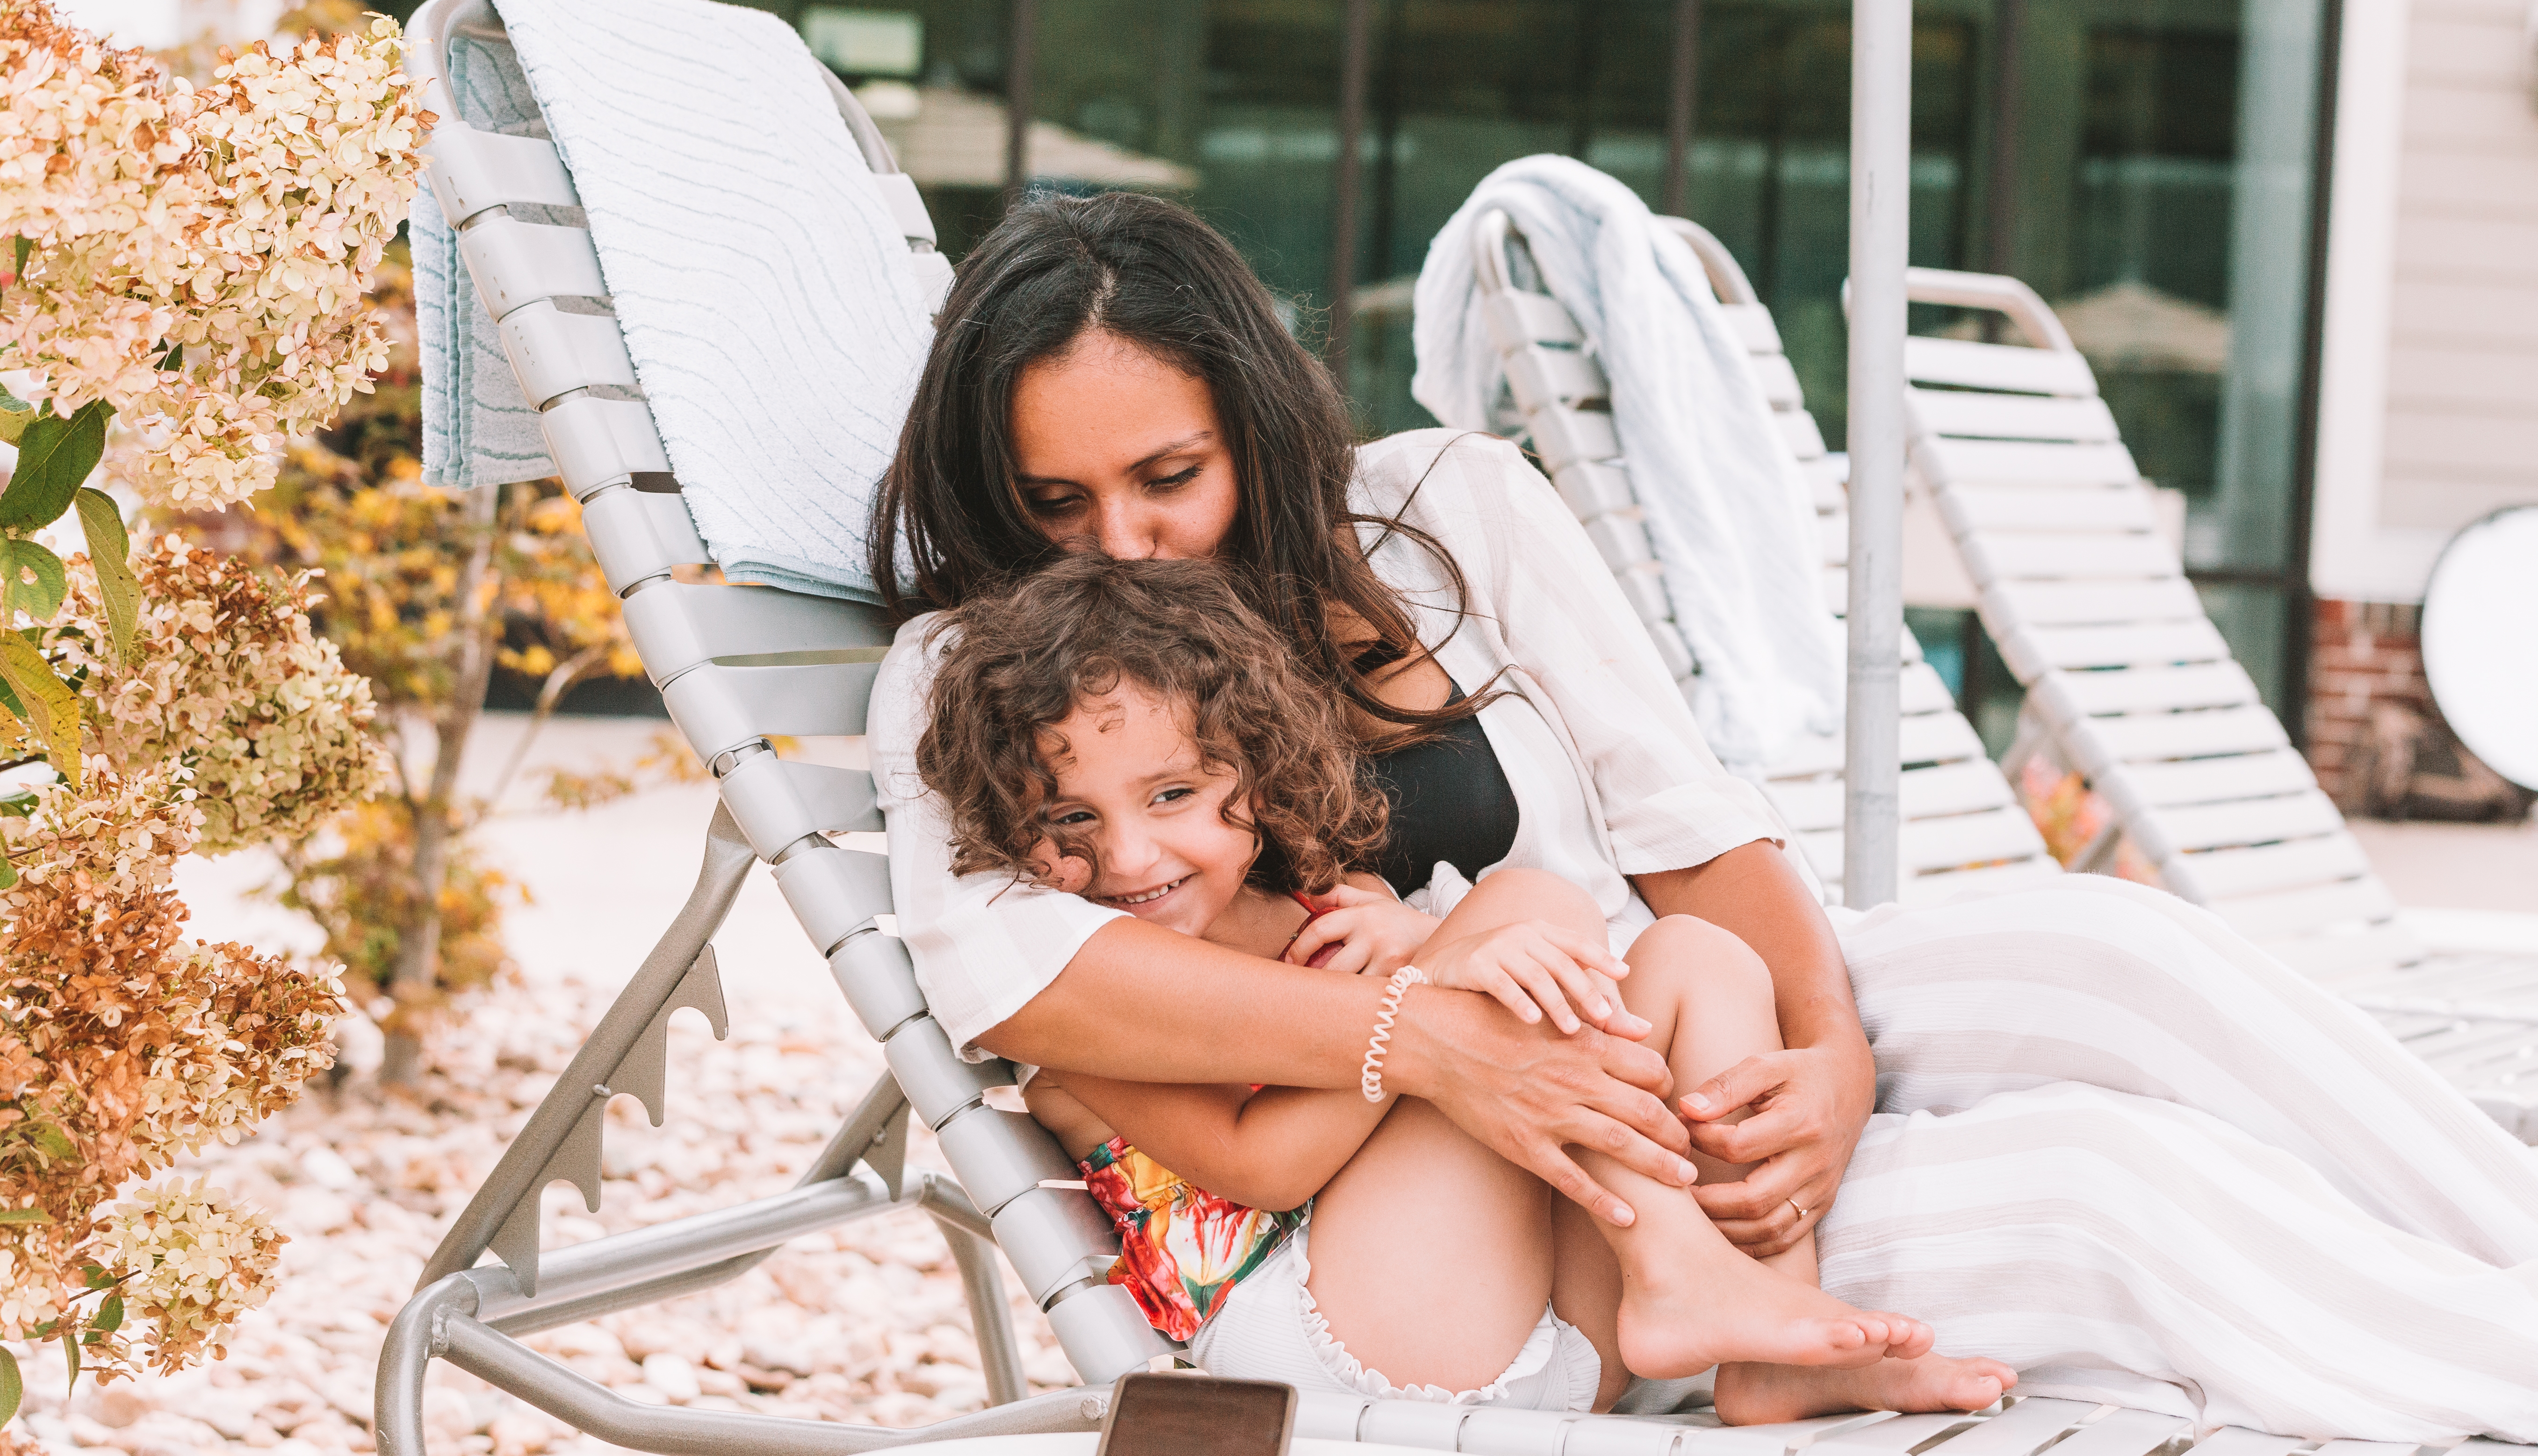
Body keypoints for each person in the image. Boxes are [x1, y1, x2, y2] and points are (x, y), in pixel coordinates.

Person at [867, 192, 2538, 1439]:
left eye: (1170, 475)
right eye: (1057, 503)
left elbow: (1692, 833)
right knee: (2102, 1190)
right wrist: (1439, 1039)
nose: (1127, 542)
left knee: (2113, 953)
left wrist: (1833, 1059)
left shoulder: (1442, 509)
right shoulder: (981, 672)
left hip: (1669, 1032)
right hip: (1518, 1211)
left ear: (1254, 420)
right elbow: (1032, 984)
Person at [912, 552, 2011, 1413]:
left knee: (1696, 957)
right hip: (1326, 1344)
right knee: (1518, 922)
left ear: (1250, 767)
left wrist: (1413, 944)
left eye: (1171, 796)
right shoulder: (1090, 1006)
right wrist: (1431, 985)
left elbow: (1498, 1007)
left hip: (1541, 1315)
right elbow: (1262, 1161)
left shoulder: (1325, 909)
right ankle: (1679, 1275)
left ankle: (1770, 1330)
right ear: (1010, 825)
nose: (1129, 859)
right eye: (1069, 820)